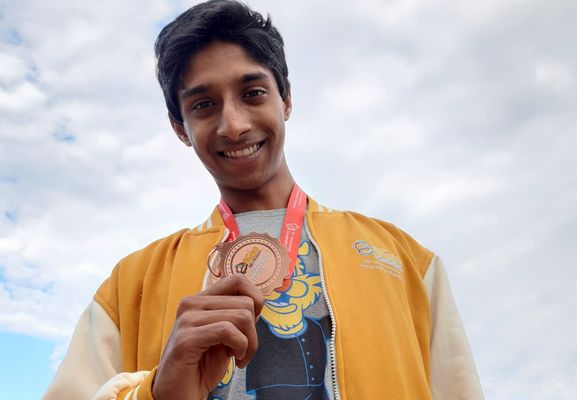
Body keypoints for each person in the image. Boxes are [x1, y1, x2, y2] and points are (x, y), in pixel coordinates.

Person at [44, 1, 483, 399]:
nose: (232, 125)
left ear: (286, 100)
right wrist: (156, 394)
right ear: (180, 128)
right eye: (203, 105)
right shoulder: (131, 284)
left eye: (252, 93)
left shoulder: (404, 260)